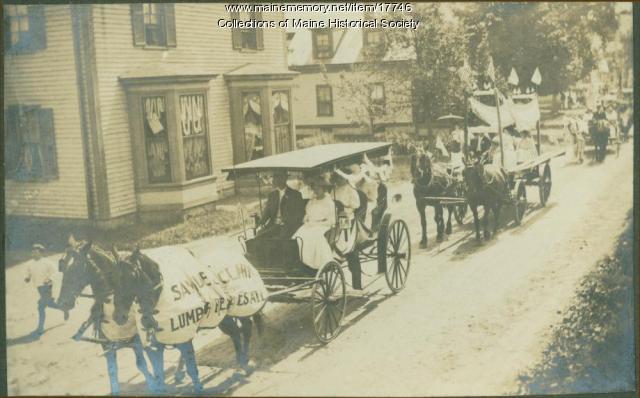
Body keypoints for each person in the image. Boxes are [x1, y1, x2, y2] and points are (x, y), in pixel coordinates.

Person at [25, 244, 67, 337]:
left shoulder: (47, 262)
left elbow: (55, 272)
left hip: (47, 286)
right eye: (33, 252)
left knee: (41, 307)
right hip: (39, 287)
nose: (34, 254)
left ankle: (40, 328)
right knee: (49, 304)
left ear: (41, 253)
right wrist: (28, 278)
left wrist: (50, 279)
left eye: (36, 252)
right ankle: (64, 308)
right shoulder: (30, 263)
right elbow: (29, 272)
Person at [293, 178, 336, 270]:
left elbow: (332, 220)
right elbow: (307, 214)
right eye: (315, 188)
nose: (316, 190)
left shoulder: (329, 202)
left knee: (314, 237)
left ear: (324, 189)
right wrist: (306, 220)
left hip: (323, 226)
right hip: (310, 225)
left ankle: (312, 263)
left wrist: (317, 224)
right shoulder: (312, 201)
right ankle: (300, 261)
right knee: (298, 236)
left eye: (318, 188)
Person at [256, 171, 305, 239]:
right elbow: (267, 213)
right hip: (273, 225)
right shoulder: (272, 195)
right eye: (274, 177)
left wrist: (288, 223)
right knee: (259, 237)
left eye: (277, 177)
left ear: (284, 179)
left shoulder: (295, 195)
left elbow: (299, 214)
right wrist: (260, 224)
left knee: (280, 240)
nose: (274, 180)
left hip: (288, 226)